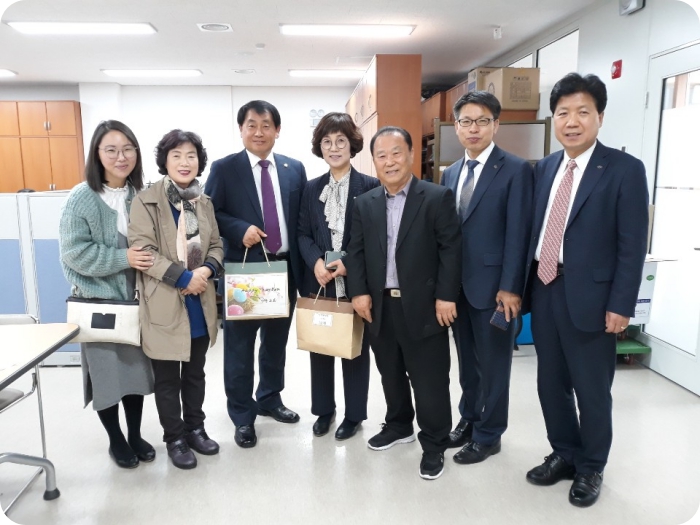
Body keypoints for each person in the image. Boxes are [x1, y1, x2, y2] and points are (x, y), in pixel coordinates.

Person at [521, 73, 648, 507]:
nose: (571, 122)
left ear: (600, 117)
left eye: (582, 112)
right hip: (546, 287)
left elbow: (632, 244)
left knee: (592, 389)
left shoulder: (624, 169)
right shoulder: (544, 168)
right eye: (563, 113)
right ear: (553, 119)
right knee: (550, 383)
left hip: (594, 299)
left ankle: (591, 466)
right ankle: (564, 452)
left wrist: (621, 303)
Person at [346, 126, 461, 480]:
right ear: (374, 161)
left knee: (429, 380)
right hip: (380, 306)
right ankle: (398, 425)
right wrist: (358, 292)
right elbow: (355, 251)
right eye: (381, 155)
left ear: (411, 154)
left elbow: (451, 250)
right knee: (390, 372)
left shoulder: (436, 197)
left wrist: (446, 296)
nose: (390, 161)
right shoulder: (365, 203)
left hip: (425, 305)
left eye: (396, 153)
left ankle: (435, 442)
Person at [205, 100, 307, 448]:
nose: (259, 132)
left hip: (284, 270)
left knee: (275, 344)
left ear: (277, 130)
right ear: (241, 130)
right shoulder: (225, 168)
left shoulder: (294, 169)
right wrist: (239, 229)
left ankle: (269, 398)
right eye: (251, 125)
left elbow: (302, 218)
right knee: (240, 347)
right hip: (245, 273)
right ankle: (241, 415)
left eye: (266, 125)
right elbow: (210, 213)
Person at [440, 92, 533, 464]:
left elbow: (519, 235)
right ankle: (469, 418)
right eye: (466, 121)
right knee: (467, 362)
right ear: (456, 127)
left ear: (496, 124)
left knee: (495, 366)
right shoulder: (450, 172)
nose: (473, 129)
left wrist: (511, 288)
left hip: (496, 290)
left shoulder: (516, 169)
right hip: (459, 288)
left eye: (482, 121)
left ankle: (490, 434)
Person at [59, 120, 156, 469]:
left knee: (135, 373)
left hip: (136, 301)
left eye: (128, 149)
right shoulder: (81, 198)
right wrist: (123, 258)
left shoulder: (140, 195)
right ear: (97, 154)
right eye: (111, 150)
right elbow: (74, 254)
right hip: (99, 304)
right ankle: (116, 439)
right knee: (107, 376)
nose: (121, 157)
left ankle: (135, 434)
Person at [128, 130, 224, 470]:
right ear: (164, 161)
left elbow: (216, 245)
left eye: (191, 156)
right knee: (167, 379)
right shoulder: (146, 201)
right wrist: (184, 278)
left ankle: (196, 428)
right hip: (166, 300)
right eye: (177, 155)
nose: (185, 162)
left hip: (199, 299)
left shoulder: (203, 201)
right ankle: (175, 438)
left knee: (195, 373)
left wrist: (206, 271)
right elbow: (144, 252)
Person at [297, 112, 380, 440]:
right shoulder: (311, 188)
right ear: (320, 147)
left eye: (340, 141)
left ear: (352, 145)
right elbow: (303, 233)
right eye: (327, 142)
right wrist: (316, 262)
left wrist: (349, 263)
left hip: (356, 283)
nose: (334, 148)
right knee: (320, 347)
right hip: (320, 281)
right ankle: (324, 411)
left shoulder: (370, 186)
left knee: (354, 349)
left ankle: (354, 415)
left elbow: (375, 237)